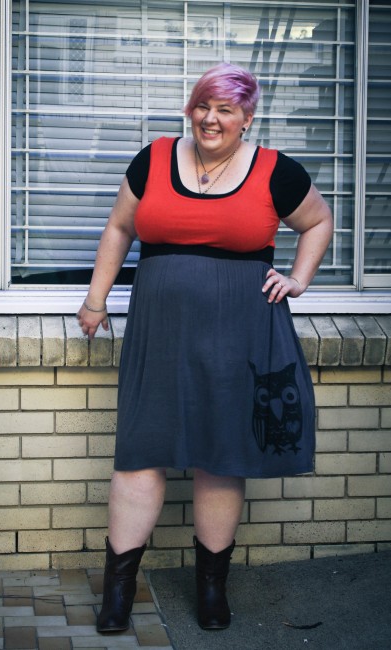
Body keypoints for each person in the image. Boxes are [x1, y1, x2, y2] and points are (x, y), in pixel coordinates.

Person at [76, 62, 333, 634]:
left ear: (247, 117)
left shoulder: (275, 171)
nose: (210, 119)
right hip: (159, 329)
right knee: (141, 450)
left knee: (222, 454)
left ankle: (212, 591)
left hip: (240, 330)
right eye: (202, 106)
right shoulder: (154, 159)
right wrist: (95, 301)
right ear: (190, 109)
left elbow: (318, 222)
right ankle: (118, 593)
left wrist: (298, 279)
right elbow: (120, 228)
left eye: (224, 110)